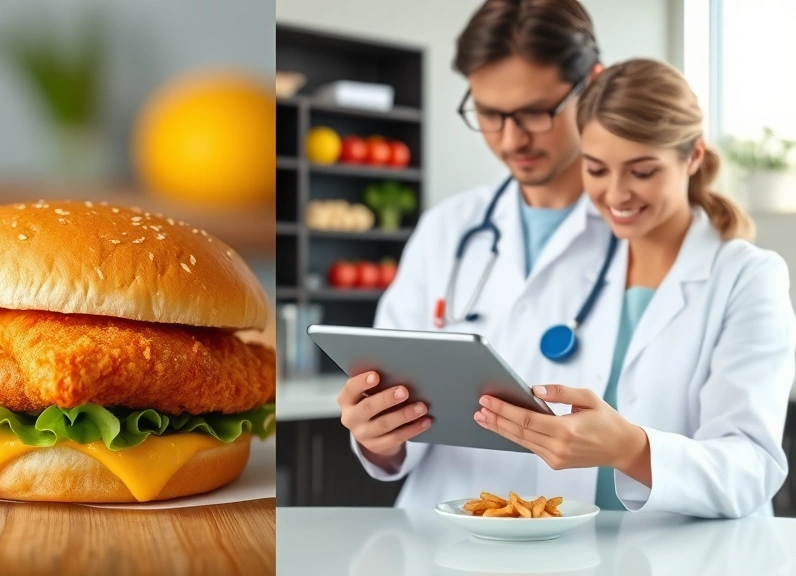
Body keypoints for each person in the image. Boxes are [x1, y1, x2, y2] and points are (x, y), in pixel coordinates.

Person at [472, 58, 795, 518]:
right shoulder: (575, 263)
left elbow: (752, 467)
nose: (617, 194)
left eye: (642, 172)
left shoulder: (747, 276)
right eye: (597, 169)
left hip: (698, 557)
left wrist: (631, 450)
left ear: (693, 157)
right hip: (577, 549)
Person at [338, 0, 614, 507]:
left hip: (582, 533)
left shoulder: (643, 236)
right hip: (441, 535)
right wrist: (378, 438)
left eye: (535, 112)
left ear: (591, 86)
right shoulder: (448, 228)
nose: (511, 138)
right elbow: (394, 414)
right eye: (488, 113)